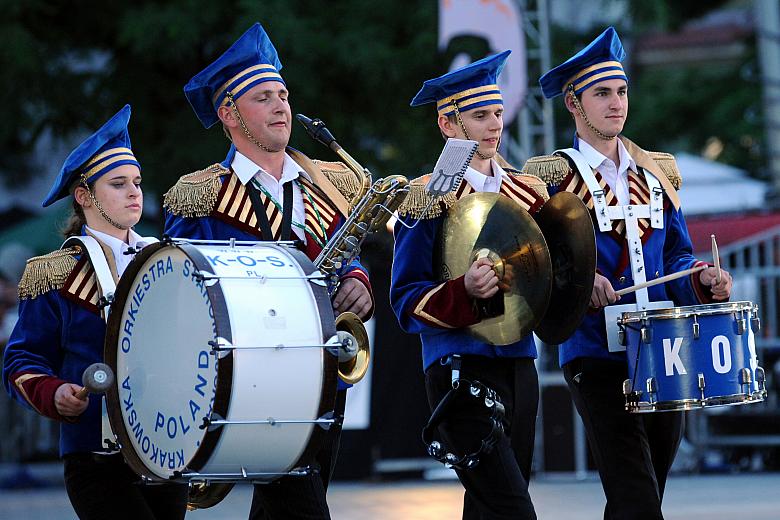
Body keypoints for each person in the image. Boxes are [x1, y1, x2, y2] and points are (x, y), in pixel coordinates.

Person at [162, 23, 374, 520]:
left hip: (323, 365)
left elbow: (348, 254)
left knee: (296, 499)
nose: (282, 106)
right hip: (254, 372)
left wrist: (357, 281)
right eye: (264, 97)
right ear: (229, 114)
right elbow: (183, 290)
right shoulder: (202, 194)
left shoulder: (325, 183)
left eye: (283, 94)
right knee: (300, 500)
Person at [523, 27, 733, 520]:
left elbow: (677, 258)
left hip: (665, 349)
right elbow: (537, 264)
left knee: (641, 496)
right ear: (574, 105)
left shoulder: (656, 173)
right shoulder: (551, 178)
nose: (616, 104)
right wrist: (578, 282)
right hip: (595, 353)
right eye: (601, 94)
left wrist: (701, 280)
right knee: (636, 493)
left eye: (621, 92)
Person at [2, 105, 188, 519]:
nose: (134, 192)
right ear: (84, 196)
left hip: (166, 450)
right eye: (118, 183)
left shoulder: (167, 261)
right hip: (95, 457)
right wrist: (55, 393)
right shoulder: (53, 273)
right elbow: (20, 361)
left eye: (137, 182)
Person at [390, 51, 549, 520]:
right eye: (480, 115)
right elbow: (404, 299)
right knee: (513, 508)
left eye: (498, 113)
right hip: (457, 367)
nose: (494, 125)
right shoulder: (427, 196)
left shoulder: (529, 193)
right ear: (447, 125)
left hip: (520, 365)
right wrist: (463, 290)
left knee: (490, 507)